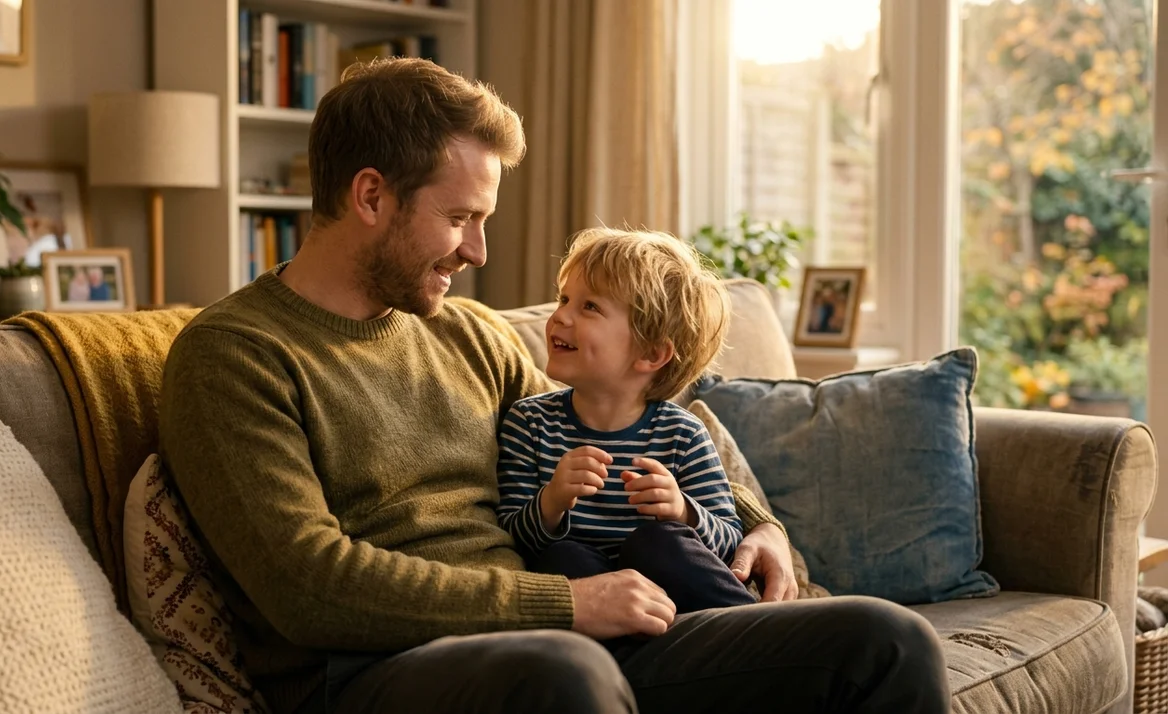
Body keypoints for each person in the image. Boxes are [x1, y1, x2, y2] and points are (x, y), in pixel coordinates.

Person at [159, 57, 951, 714]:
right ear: (370, 196)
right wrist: (569, 606)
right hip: (379, 672)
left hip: (568, 639)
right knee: (567, 676)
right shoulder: (236, 356)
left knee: (886, 642)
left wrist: (757, 523)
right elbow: (310, 586)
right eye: (462, 218)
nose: (478, 252)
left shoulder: (465, 334)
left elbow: (612, 419)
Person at [497, 228, 758, 616]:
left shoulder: (682, 434)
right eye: (564, 299)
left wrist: (683, 511)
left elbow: (729, 542)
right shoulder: (530, 423)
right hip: (595, 614)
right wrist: (551, 502)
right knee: (563, 558)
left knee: (659, 542)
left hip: (680, 611)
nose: (559, 317)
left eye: (589, 307)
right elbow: (511, 538)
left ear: (652, 354)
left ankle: (755, 626)